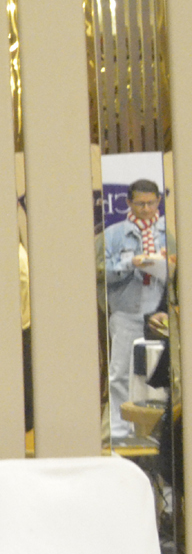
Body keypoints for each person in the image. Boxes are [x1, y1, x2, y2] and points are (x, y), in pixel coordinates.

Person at [104, 177, 171, 443]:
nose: (146, 209)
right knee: (120, 373)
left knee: (158, 373)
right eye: (140, 203)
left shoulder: (167, 234)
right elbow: (102, 274)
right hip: (126, 312)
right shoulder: (113, 234)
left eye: (151, 203)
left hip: (160, 314)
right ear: (129, 203)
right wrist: (131, 263)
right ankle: (120, 431)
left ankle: (157, 430)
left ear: (159, 202)